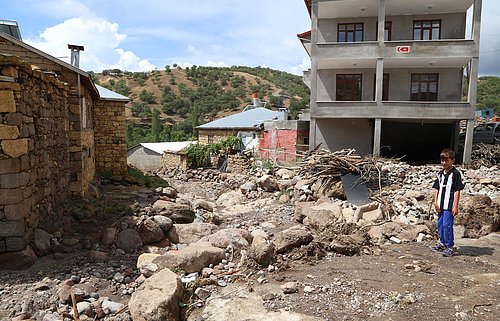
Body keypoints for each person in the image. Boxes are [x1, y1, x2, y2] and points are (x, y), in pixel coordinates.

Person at [431, 148, 465, 257]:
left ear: (452, 160)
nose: (444, 163)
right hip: (440, 204)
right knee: (440, 224)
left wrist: (455, 206)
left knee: (447, 225)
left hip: (449, 205)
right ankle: (442, 243)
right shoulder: (440, 174)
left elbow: (457, 190)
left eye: (446, 160)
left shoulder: (455, 174)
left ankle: (450, 246)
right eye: (442, 161)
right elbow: (436, 188)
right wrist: (435, 202)